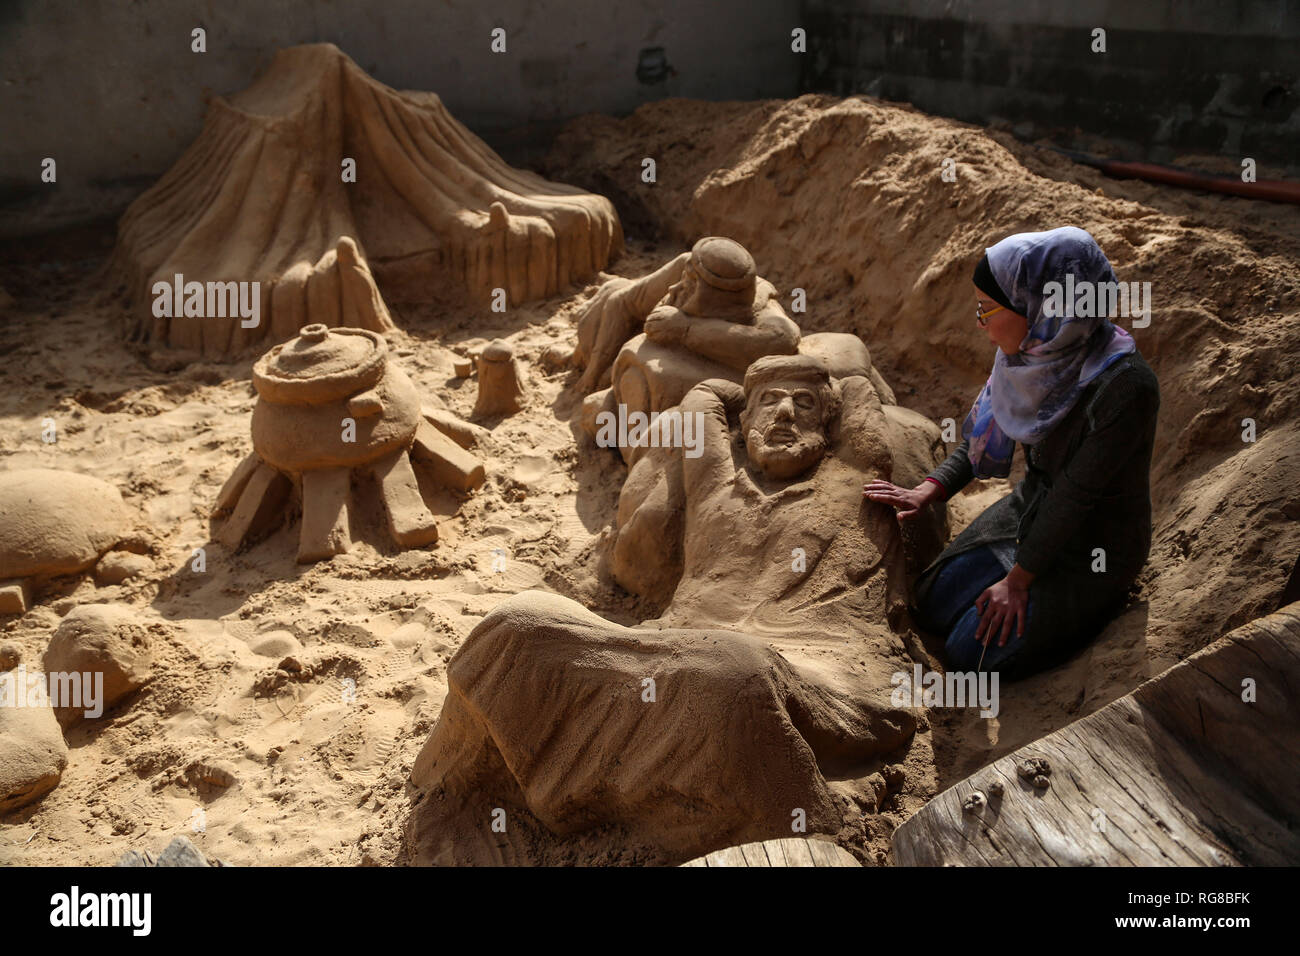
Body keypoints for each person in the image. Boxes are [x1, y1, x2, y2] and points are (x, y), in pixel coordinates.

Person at [864, 226, 1160, 678]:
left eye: (987, 310)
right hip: (1030, 512)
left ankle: (1094, 604)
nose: (980, 324)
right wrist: (931, 488)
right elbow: (989, 430)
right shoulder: (1035, 352)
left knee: (968, 653)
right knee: (931, 603)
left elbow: (1075, 497)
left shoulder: (1124, 388)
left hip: (1092, 544)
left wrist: (1018, 581)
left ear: (1039, 305)